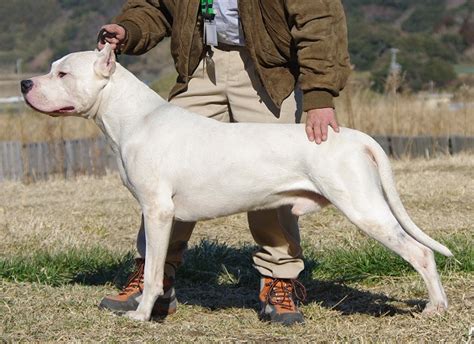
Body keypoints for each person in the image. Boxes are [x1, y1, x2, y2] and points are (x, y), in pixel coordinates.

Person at [97, 0, 350, 326]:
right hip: (202, 64)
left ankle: (278, 279)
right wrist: (128, 29)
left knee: (273, 173)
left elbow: (319, 18)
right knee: (163, 169)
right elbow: (154, 7)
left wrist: (319, 95)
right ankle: (154, 280)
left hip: (269, 69)